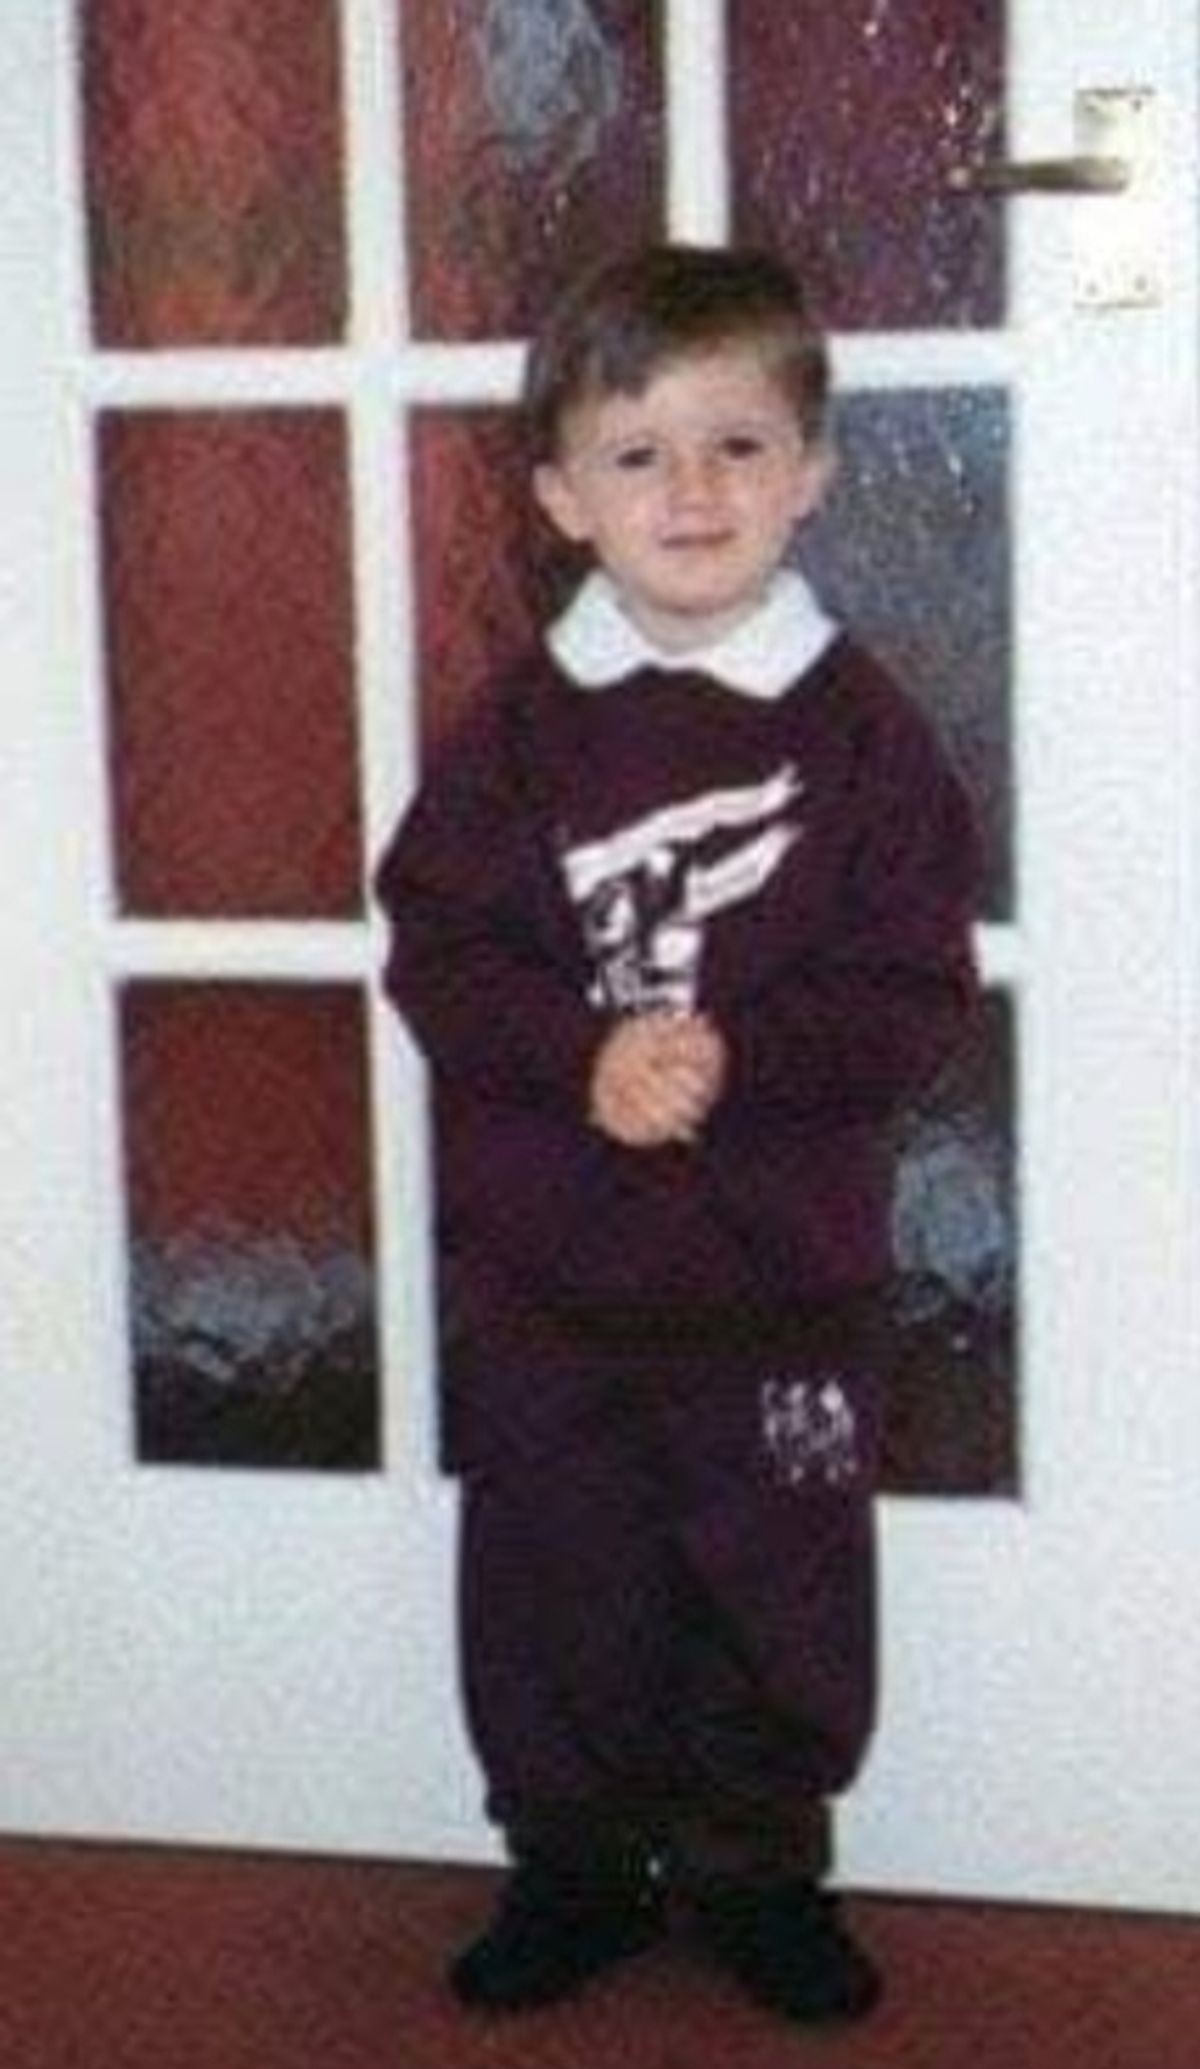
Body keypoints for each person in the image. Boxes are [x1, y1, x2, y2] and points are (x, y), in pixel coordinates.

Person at [374, 242, 980, 2025]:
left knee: (782, 1579)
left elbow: (912, 985)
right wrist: (581, 1056)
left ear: (815, 467)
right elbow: (442, 946)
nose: (692, 490)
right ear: (563, 493)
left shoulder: (867, 738)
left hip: (787, 1282)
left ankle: (758, 1863)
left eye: (736, 444)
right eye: (638, 455)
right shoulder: (516, 735)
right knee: (557, 1582)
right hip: (556, 1280)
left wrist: (743, 1056)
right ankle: (571, 1865)